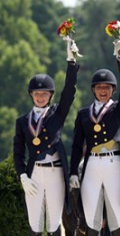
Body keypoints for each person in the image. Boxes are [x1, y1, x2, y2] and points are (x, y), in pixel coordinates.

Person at [13, 39, 80, 235]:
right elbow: (18, 151)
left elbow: (69, 92)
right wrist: (22, 174)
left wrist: (71, 63)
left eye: (44, 93)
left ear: (50, 95)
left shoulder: (57, 115)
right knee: (34, 223)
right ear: (31, 95)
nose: (40, 97)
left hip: (55, 173)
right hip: (33, 175)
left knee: (53, 224)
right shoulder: (23, 121)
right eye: (36, 93)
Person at [69, 39, 120, 236]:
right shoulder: (83, 114)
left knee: (116, 218)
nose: (103, 91)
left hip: (113, 164)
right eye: (99, 87)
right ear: (94, 90)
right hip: (92, 165)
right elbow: (77, 145)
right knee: (92, 218)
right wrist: (72, 172)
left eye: (107, 87)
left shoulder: (117, 109)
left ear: (113, 89)